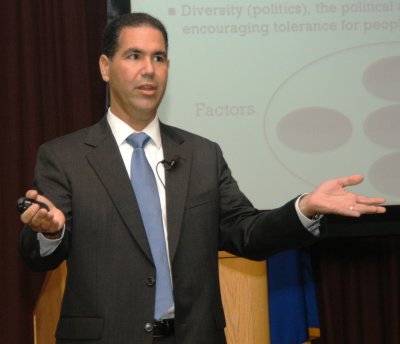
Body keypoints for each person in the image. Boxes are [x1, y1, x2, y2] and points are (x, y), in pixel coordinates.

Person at [19, 12, 386, 344]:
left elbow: (246, 232)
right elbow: (38, 255)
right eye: (134, 56)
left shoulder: (202, 154)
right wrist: (51, 232)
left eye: (158, 58)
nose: (149, 69)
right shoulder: (64, 156)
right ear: (105, 66)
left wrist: (303, 207)